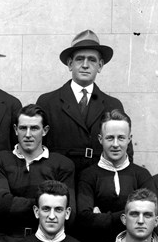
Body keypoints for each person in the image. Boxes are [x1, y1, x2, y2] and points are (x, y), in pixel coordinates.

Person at [36, 30, 128, 177]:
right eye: (80, 59)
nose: (85, 65)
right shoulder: (47, 102)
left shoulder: (112, 104)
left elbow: (125, 151)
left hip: (99, 180)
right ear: (70, 64)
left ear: (100, 66)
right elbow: (37, 148)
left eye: (92, 60)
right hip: (59, 179)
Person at [0, 104, 75, 242]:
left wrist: (15, 203)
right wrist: (48, 206)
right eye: (23, 128)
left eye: (34, 128)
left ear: (45, 130)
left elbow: (70, 214)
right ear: (16, 130)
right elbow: (1, 204)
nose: (28, 134)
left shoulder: (63, 164)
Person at [77, 109, 154, 242]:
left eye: (121, 138)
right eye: (110, 138)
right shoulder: (88, 175)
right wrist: (130, 213)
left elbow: (151, 217)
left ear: (129, 139)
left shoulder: (141, 175)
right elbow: (84, 220)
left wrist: (103, 219)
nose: (116, 144)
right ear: (100, 139)